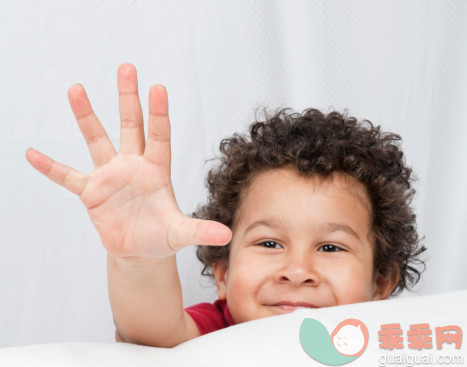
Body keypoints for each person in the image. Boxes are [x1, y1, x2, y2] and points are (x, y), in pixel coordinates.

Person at [25, 63, 426, 348]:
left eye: (330, 247)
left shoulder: (394, 344)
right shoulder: (217, 329)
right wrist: (137, 262)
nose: (298, 272)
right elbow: (150, 332)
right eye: (269, 243)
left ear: (381, 282)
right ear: (222, 271)